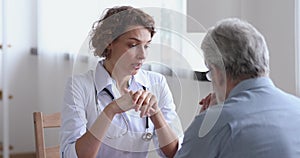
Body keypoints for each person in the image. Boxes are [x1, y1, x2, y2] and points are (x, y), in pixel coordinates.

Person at [60, 6, 183, 158]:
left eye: (146, 45)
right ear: (109, 42)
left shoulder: (157, 83)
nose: (143, 55)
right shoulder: (79, 86)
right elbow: (71, 155)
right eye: (133, 45)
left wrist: (156, 114)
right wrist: (110, 110)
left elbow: (176, 154)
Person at [174, 18, 300, 158]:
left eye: (210, 73)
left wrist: (204, 124)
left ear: (218, 72)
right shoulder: (297, 108)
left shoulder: (213, 126)